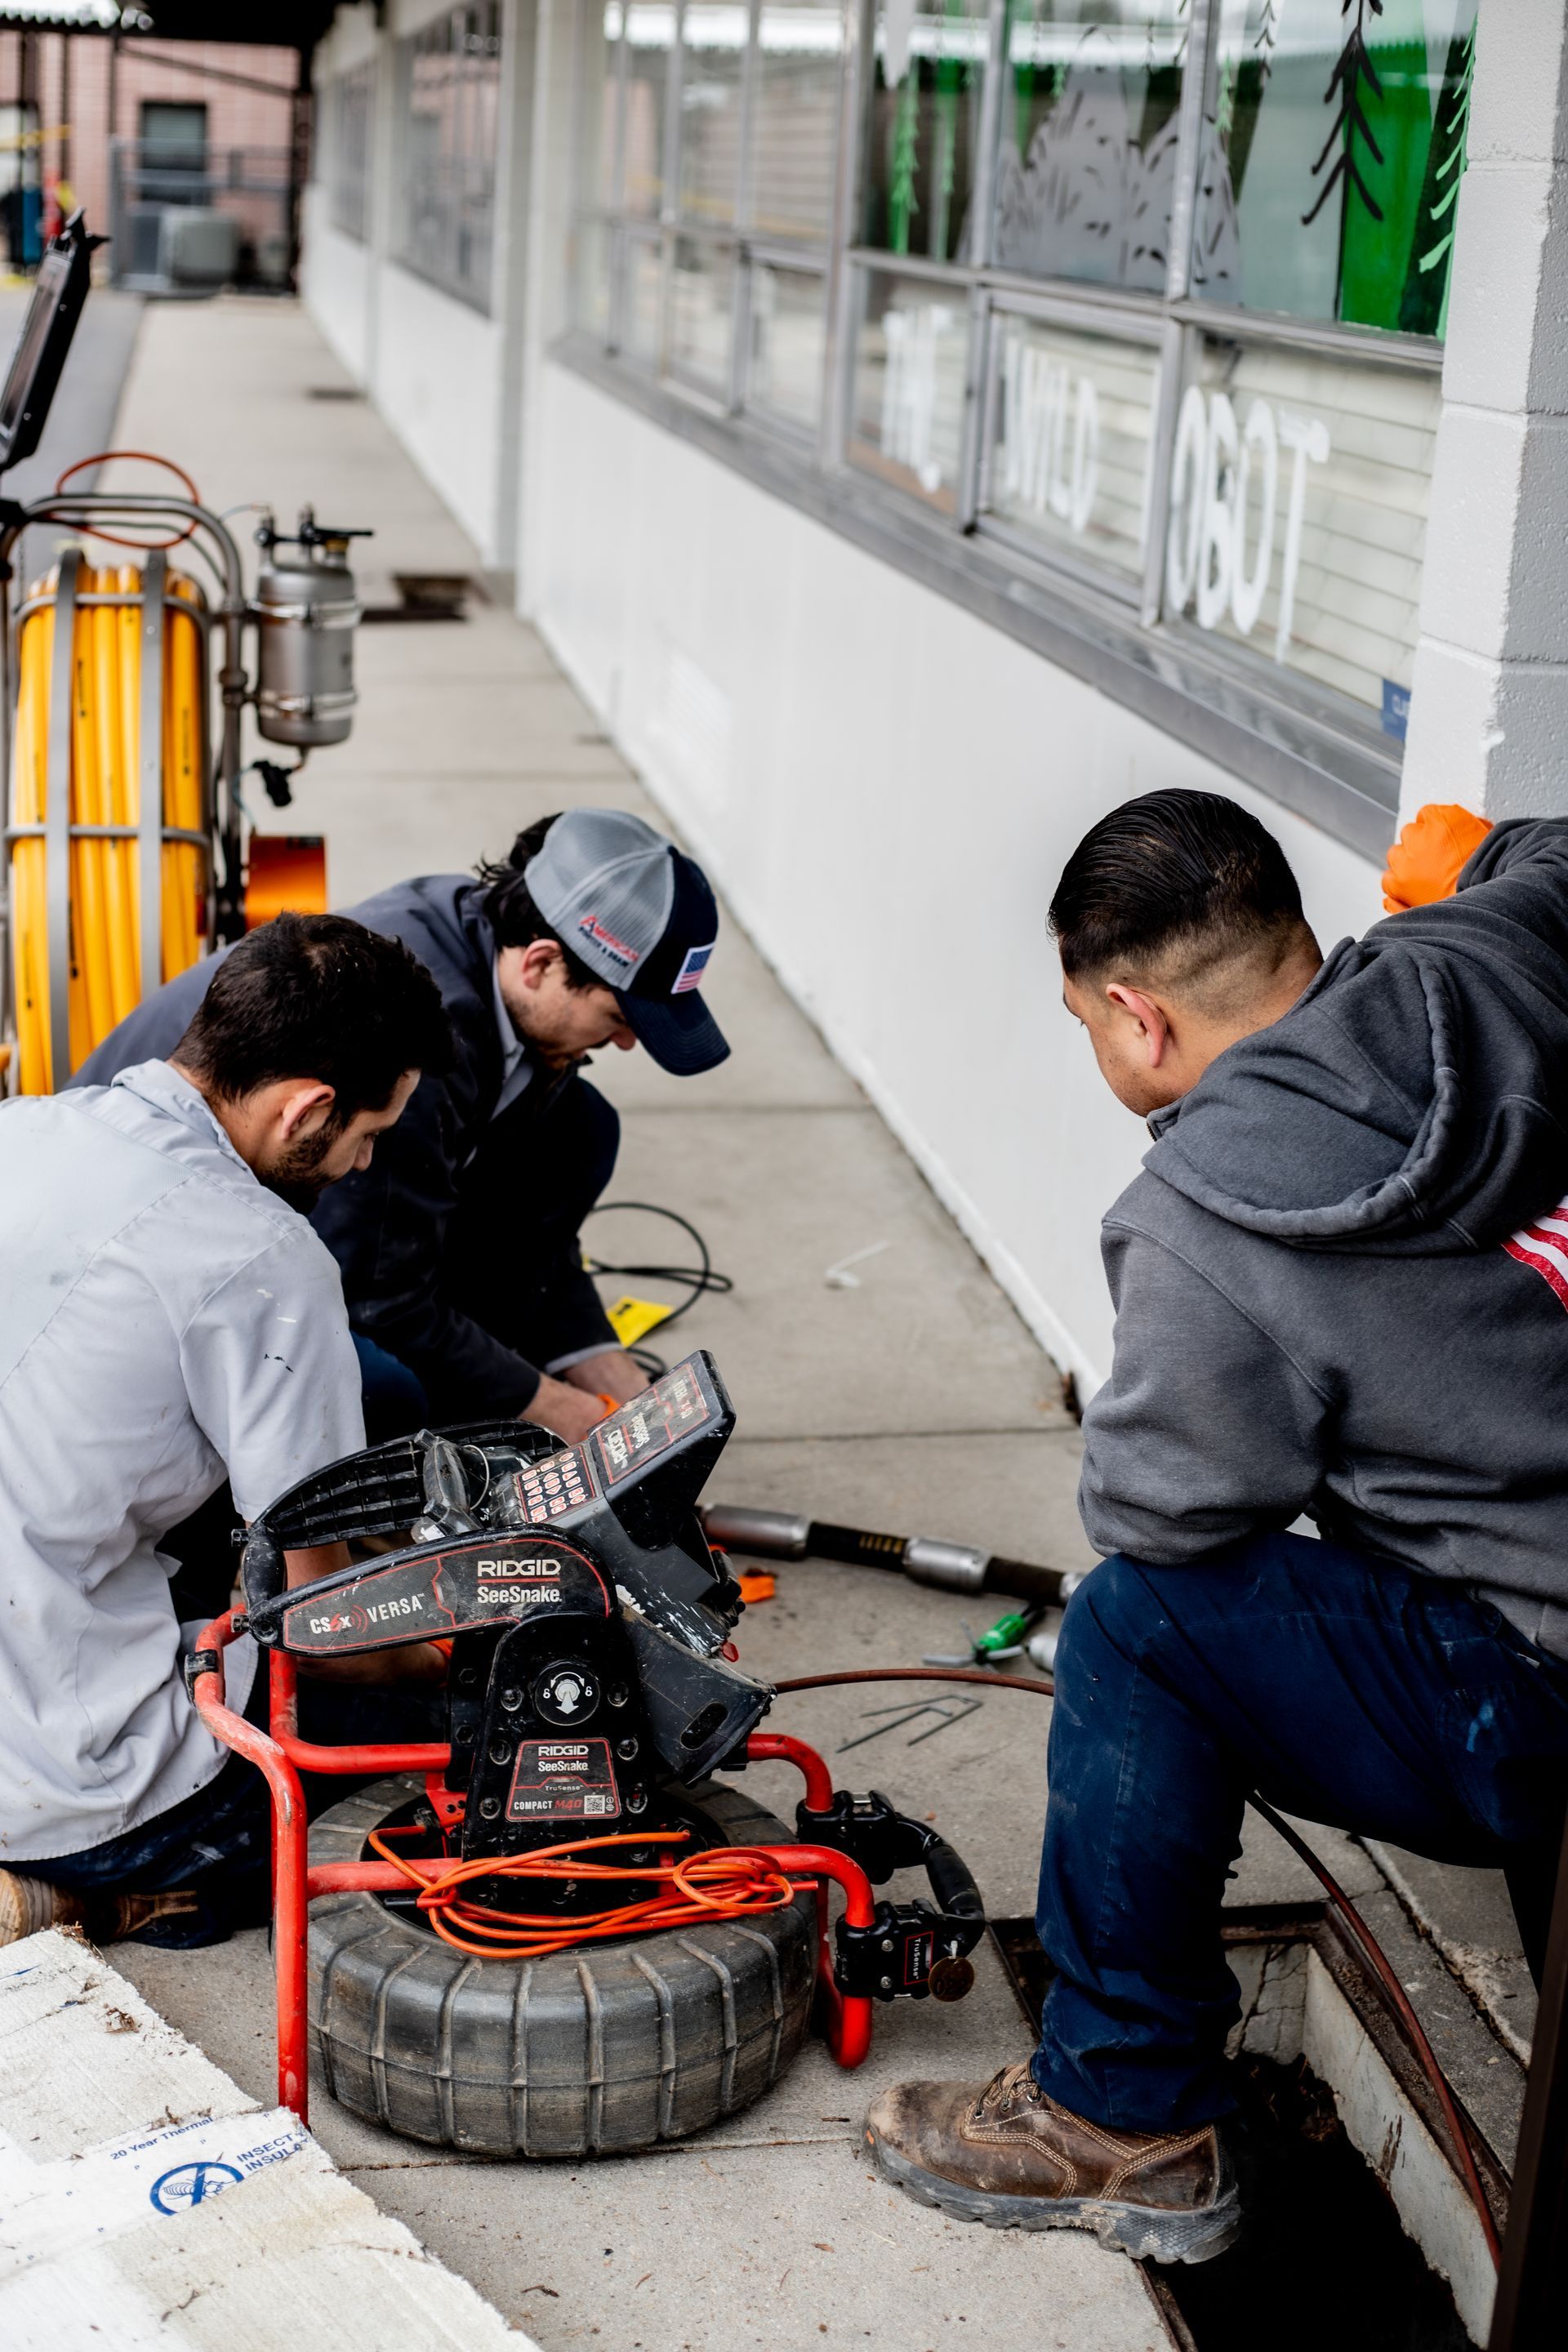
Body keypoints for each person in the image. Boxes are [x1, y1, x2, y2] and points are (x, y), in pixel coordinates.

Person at [865, 791, 1568, 2263]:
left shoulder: (1202, 1220)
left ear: (1137, 1017)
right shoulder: (1494, 955)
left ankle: (1119, 2118)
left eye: (1086, 1024)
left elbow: (1163, 1510)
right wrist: (1482, 858)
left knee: (1141, 1627)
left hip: (1536, 1690)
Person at [0, 912, 453, 1950]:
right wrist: (449, 1653)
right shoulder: (261, 1257)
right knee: (456, 1743)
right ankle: (96, 1898)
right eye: (367, 1137)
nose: (362, 1168)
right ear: (308, 1110)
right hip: (63, 1792)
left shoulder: (19, 1129)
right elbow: (325, 1629)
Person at [74, 807, 730, 1448]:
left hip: (311, 1196)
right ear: (540, 963)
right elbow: (377, 1300)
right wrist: (551, 1405)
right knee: (387, 1392)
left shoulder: (479, 927)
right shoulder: (415, 1055)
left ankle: (484, 1396)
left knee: (579, 1130)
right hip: (133, 1240)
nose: (625, 1044)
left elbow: (535, 1244)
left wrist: (605, 1368)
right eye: (621, 1015)